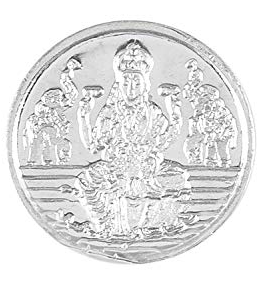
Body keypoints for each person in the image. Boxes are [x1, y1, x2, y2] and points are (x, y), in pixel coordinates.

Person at [76, 40, 190, 236]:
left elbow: (164, 142)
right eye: (126, 83)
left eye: (136, 83)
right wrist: (84, 115)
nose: (131, 88)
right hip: (116, 168)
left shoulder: (152, 112)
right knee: (87, 179)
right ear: (118, 85)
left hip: (147, 168)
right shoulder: (110, 112)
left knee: (178, 177)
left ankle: (155, 225)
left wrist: (175, 112)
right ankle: (108, 225)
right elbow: (93, 145)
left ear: (145, 85)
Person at [23, 58, 80, 165]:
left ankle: (60, 160)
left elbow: (72, 98)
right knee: (44, 140)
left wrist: (66, 78)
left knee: (61, 142)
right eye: (59, 99)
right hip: (43, 132)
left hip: (54, 133)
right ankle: (40, 161)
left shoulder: (57, 110)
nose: (62, 100)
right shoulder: (44, 110)